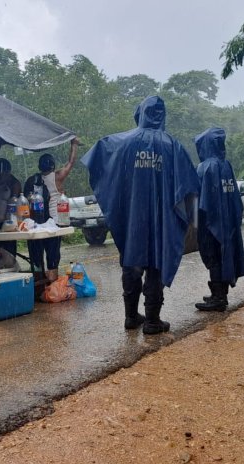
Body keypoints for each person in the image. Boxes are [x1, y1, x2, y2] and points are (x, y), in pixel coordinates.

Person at [82, 95, 200, 334]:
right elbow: (190, 186)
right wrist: (191, 221)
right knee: (155, 262)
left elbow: (101, 160)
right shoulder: (173, 146)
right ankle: (153, 320)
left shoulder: (122, 143)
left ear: (141, 114)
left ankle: (130, 316)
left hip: (132, 216)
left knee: (132, 262)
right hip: (161, 218)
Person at [193, 128, 244, 312]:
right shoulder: (226, 165)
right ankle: (220, 294)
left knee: (213, 256)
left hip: (210, 221)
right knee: (224, 256)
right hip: (227, 221)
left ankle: (218, 298)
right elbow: (234, 198)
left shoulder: (205, 167)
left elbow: (197, 196)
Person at [23, 138, 79, 283]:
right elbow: (71, 162)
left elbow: (24, 198)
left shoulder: (32, 180)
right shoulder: (58, 177)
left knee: (36, 256)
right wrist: (74, 145)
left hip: (36, 225)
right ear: (53, 166)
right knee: (53, 256)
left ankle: (38, 285)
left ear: (39, 166)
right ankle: (52, 285)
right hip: (54, 223)